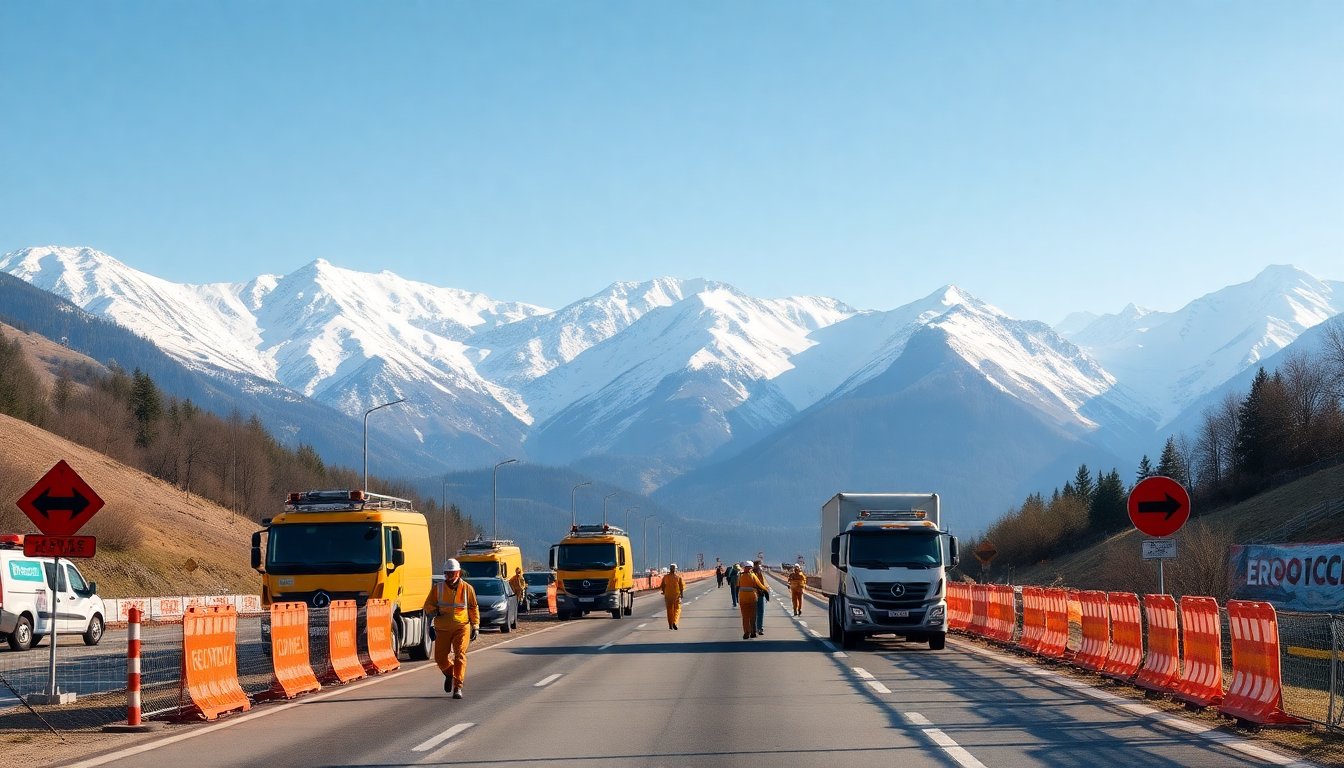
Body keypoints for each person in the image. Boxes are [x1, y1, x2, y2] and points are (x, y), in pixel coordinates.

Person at [422, 558, 479, 699]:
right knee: (440, 658)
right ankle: (449, 673)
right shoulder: (438, 588)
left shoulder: (467, 589)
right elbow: (428, 605)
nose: (450, 577)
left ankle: (458, 687)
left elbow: (473, 607)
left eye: (452, 574)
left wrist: (475, 625)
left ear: (458, 573)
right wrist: (433, 612)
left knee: (460, 655)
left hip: (462, 627)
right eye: (447, 574)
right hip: (442, 629)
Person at [736, 561, 768, 639]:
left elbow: (737, 586)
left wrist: (737, 598)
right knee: (752, 616)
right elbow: (759, 585)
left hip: (742, 598)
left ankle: (746, 633)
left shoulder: (740, 575)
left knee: (745, 616)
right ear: (751, 568)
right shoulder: (753, 575)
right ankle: (753, 633)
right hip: (752, 598)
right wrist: (766, 591)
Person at [661, 563, 686, 629]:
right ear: (676, 569)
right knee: (677, 610)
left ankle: (670, 625)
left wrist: (664, 592)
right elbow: (682, 587)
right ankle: (675, 622)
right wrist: (682, 595)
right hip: (676, 596)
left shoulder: (665, 577)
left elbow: (662, 586)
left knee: (669, 611)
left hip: (668, 597)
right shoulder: (678, 577)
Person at [753, 559, 770, 635]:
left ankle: (759, 628)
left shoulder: (760, 573)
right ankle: (755, 628)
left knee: (760, 612)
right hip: (754, 595)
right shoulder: (753, 573)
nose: (760, 566)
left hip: (760, 594)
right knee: (756, 612)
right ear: (756, 565)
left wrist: (766, 590)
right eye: (760, 565)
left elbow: (763, 583)